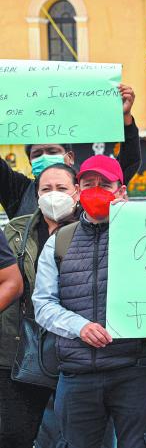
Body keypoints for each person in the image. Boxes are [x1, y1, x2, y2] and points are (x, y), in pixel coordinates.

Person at [32, 155, 146, 448]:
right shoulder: (60, 241)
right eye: (89, 184)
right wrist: (79, 327)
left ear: (122, 191)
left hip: (132, 368)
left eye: (105, 184)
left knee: (138, 443)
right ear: (78, 191)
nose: (96, 190)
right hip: (77, 372)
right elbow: (44, 303)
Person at [1, 164, 79, 446]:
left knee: (81, 435)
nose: (54, 195)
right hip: (23, 350)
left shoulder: (96, 230)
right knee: (15, 435)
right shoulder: (15, 232)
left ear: (77, 192)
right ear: (36, 194)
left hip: (79, 349)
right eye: (46, 189)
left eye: (62, 189)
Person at [0, 84, 141, 220]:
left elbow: (129, 159)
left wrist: (126, 117)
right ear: (30, 162)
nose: (44, 157)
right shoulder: (19, 192)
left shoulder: (90, 186)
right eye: (37, 154)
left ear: (70, 157)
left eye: (52, 151)